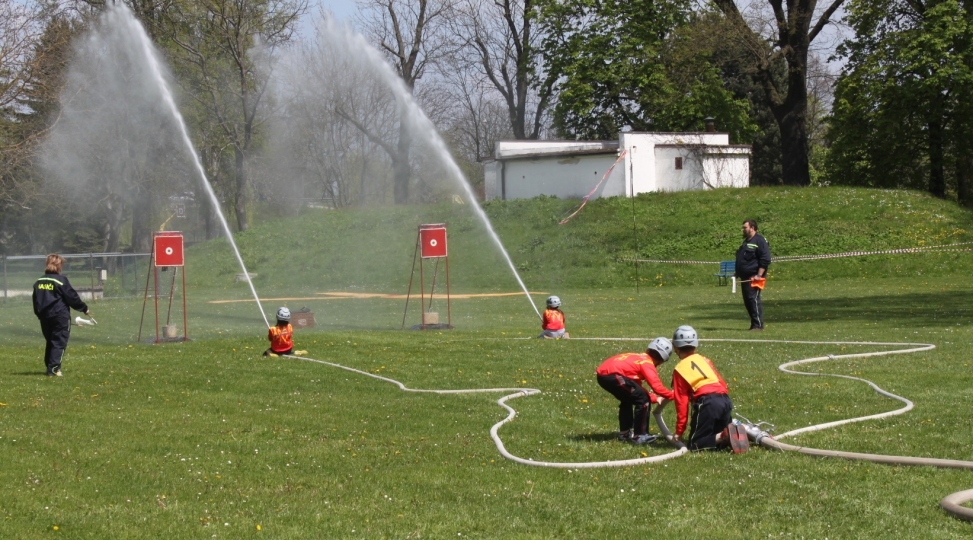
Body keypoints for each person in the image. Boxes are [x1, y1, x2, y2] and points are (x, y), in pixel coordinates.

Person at [595, 337, 675, 444]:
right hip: (613, 376)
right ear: (661, 360)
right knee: (643, 400)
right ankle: (640, 435)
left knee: (628, 399)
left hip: (603, 375)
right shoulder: (647, 363)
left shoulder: (638, 357)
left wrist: (655, 398)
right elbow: (657, 387)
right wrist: (674, 395)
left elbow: (636, 387)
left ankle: (625, 433)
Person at [670, 325, 735, 451]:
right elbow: (722, 383)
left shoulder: (679, 369)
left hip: (708, 403)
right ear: (695, 345)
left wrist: (679, 430)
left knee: (695, 445)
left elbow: (681, 403)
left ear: (675, 347)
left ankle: (725, 435)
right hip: (725, 400)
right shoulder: (704, 360)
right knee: (715, 441)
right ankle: (731, 434)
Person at [32, 254, 91, 377]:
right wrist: (84, 308)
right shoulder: (61, 280)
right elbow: (72, 297)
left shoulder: (39, 281)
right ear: (58, 266)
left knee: (51, 341)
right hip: (60, 316)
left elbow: (35, 300)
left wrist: (39, 314)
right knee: (59, 342)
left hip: (45, 317)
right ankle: (54, 369)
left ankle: (49, 366)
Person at [735, 219, 771, 330]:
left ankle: (758, 325)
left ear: (752, 228)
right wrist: (737, 272)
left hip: (754, 277)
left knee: (753, 299)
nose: (743, 229)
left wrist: (759, 275)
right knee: (748, 301)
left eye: (745, 227)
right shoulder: (746, 242)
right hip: (745, 277)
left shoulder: (759, 241)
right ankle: (754, 324)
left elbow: (765, 259)